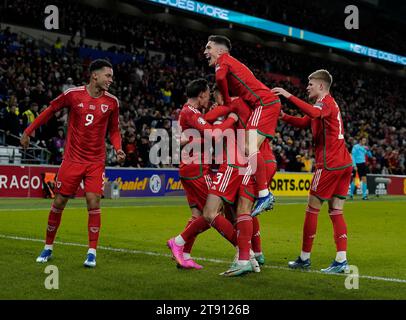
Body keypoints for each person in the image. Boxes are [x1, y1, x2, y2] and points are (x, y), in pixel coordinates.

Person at [20, 59, 126, 268]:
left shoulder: (112, 102)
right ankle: (48, 247)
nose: (111, 80)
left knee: (93, 201)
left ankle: (91, 252)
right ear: (94, 75)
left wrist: (118, 147)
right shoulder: (73, 95)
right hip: (72, 159)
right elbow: (50, 110)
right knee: (59, 202)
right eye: (108, 75)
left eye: (111, 76)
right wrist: (28, 131)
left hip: (96, 161)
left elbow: (114, 130)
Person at [272, 69, 352, 273]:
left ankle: (304, 258)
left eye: (310, 84)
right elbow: (306, 120)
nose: (307, 87)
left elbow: (314, 113)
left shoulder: (324, 103)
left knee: (312, 208)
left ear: (322, 86)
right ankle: (341, 260)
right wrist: (285, 117)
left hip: (329, 164)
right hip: (343, 163)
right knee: (336, 211)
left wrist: (288, 96)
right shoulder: (326, 105)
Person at [204, 35, 281, 216]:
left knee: (248, 145)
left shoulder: (224, 60)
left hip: (264, 103)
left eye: (209, 48)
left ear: (221, 50)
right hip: (266, 104)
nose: (205, 51)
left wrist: (226, 99)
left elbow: (221, 78)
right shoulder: (233, 65)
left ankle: (264, 194)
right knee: (251, 147)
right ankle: (263, 194)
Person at [166, 78, 238, 269]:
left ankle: (185, 254)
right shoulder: (190, 112)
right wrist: (231, 119)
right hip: (196, 169)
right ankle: (179, 242)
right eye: (208, 95)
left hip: (189, 168)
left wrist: (212, 114)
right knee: (213, 212)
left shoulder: (191, 112)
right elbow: (213, 135)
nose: (210, 99)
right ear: (202, 94)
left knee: (198, 215)